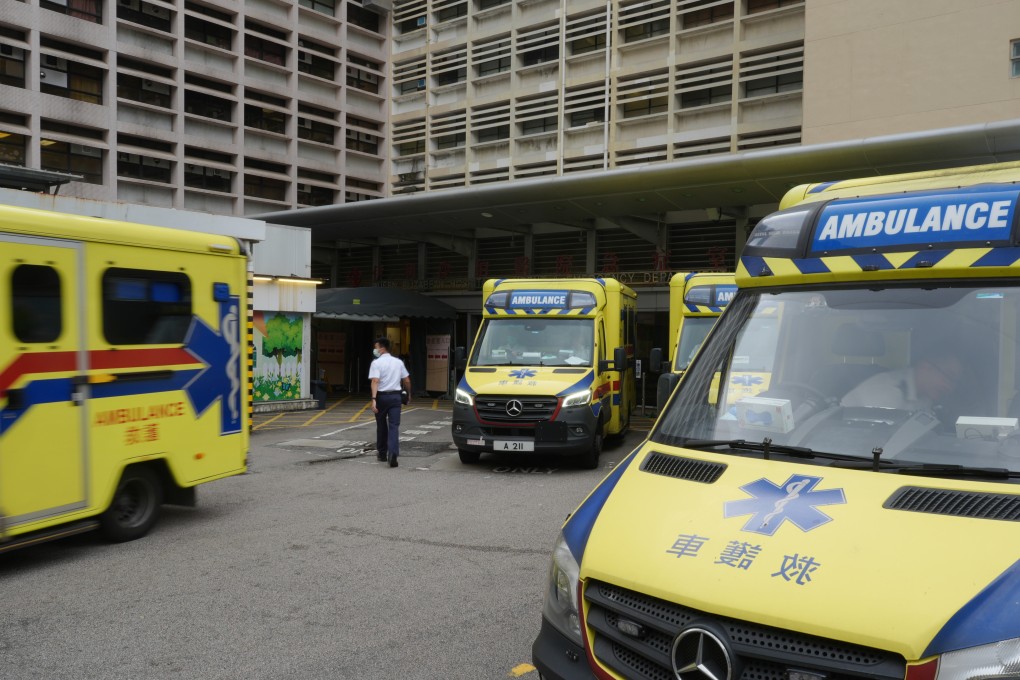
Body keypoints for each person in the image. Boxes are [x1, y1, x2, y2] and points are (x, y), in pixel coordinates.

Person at [840, 351, 963, 412]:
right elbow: (871, 449)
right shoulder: (888, 393)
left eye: (954, 382)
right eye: (948, 376)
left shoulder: (924, 396)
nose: (950, 387)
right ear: (926, 367)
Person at [368, 337, 411, 468]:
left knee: (381, 425)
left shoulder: (376, 363)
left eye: (376, 347)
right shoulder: (398, 362)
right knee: (394, 426)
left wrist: (374, 400)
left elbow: (375, 381)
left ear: (382, 348)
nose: (375, 350)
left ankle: (382, 453)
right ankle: (393, 454)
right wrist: (409, 395)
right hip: (395, 398)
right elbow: (407, 380)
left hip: (381, 398)